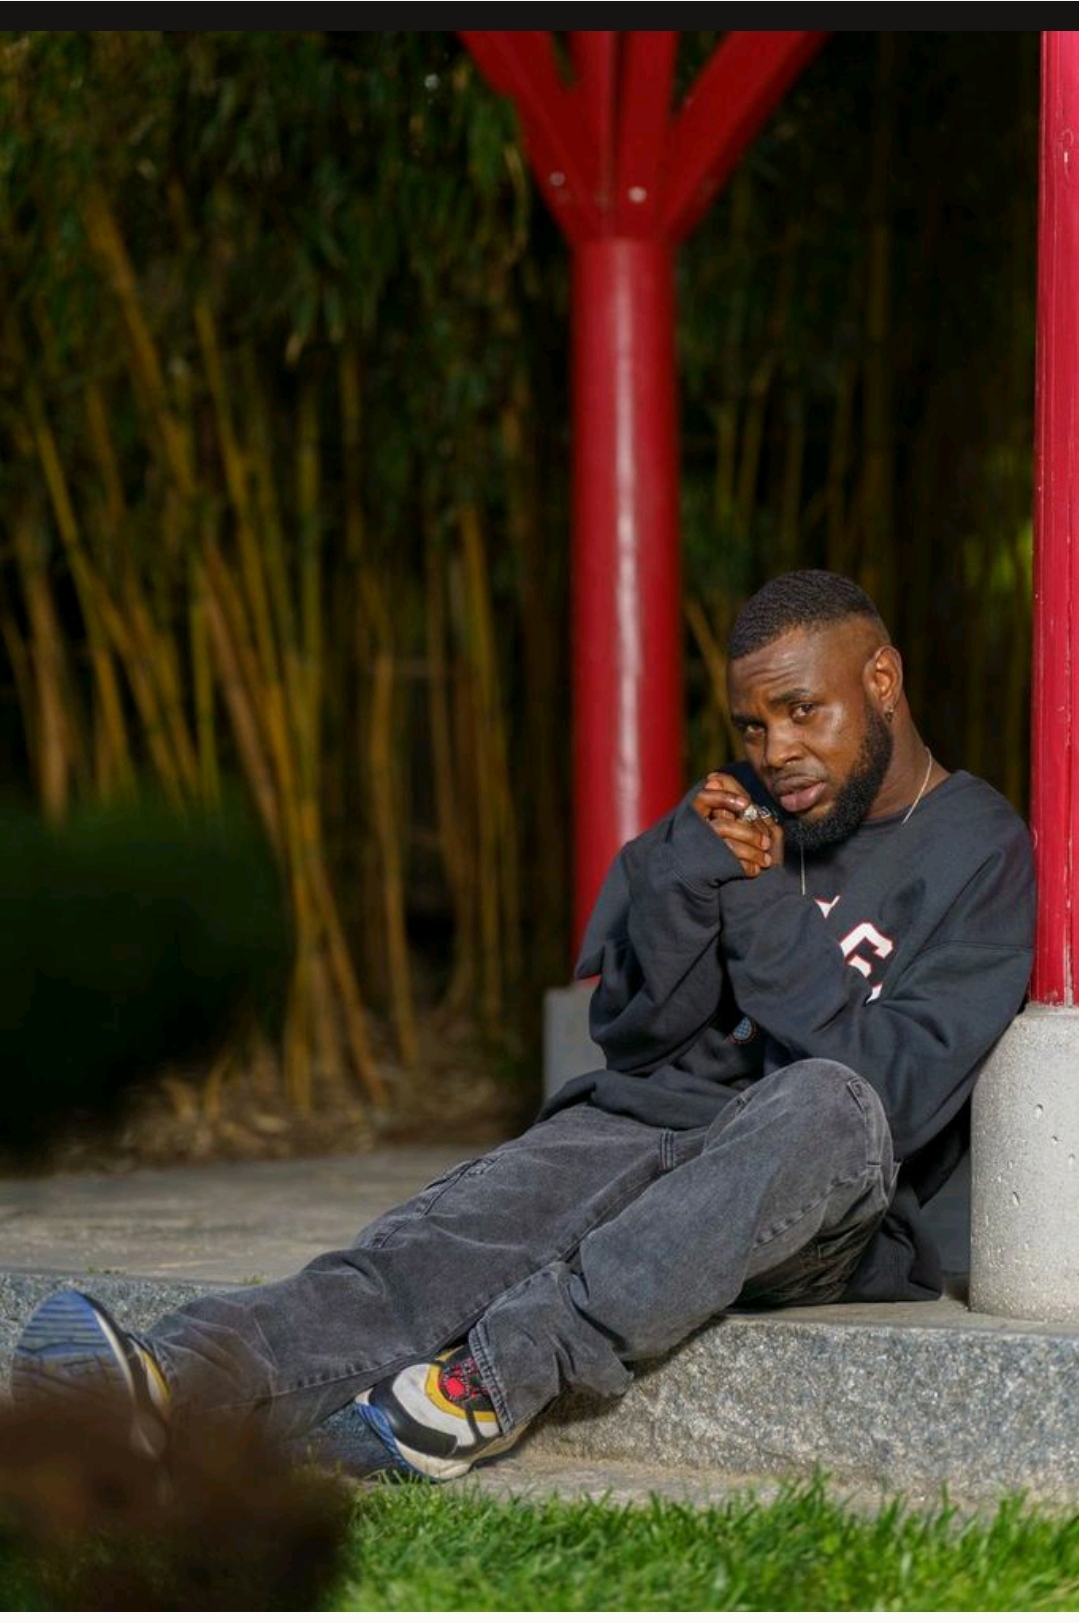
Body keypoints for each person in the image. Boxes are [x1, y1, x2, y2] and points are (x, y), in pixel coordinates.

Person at [11, 569, 1035, 1483]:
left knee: (822, 1101)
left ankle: (482, 1386)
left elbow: (888, 1098)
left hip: (812, 1201)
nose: (777, 752)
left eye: (802, 711)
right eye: (752, 726)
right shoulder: (739, 817)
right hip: (645, 1129)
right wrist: (682, 886)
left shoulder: (980, 853)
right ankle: (162, 1382)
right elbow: (636, 1040)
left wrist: (761, 911)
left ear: (882, 681)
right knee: (427, 1250)